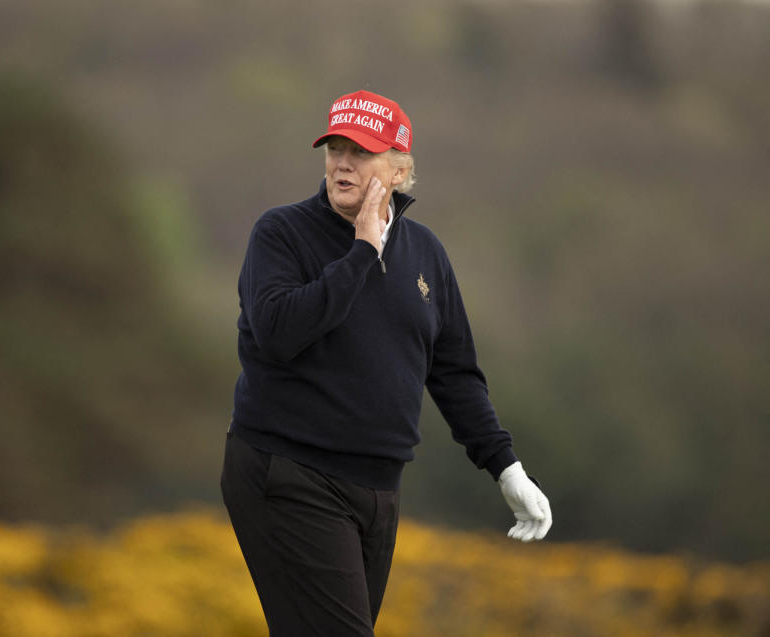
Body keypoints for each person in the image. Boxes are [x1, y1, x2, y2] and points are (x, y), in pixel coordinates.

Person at [220, 89, 552, 637]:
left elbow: (453, 372)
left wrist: (505, 466)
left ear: (399, 170)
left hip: (378, 488)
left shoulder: (425, 254)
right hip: (286, 471)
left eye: (362, 151)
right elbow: (279, 333)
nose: (343, 163)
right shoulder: (281, 234)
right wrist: (362, 251)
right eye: (335, 148)